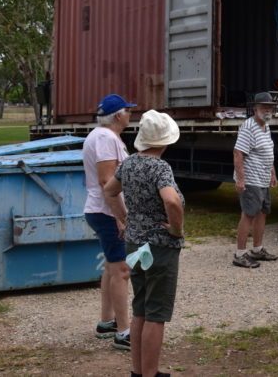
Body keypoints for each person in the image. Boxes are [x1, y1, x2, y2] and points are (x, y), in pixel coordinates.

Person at [104, 109, 184, 377]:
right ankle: (150, 374)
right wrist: (176, 229)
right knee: (156, 313)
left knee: (140, 308)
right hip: (160, 246)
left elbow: (110, 191)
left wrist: (125, 220)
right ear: (164, 141)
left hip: (136, 243)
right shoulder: (160, 167)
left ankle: (138, 371)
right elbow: (171, 200)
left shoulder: (128, 163)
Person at [82, 93, 136, 350]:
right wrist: (121, 217)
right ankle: (124, 332)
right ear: (118, 115)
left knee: (111, 267)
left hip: (102, 210)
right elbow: (107, 181)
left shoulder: (103, 136)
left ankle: (107, 322)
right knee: (122, 271)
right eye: (128, 111)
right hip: (106, 212)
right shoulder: (104, 137)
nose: (130, 114)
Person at [231, 92, 278, 268]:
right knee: (249, 214)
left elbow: (267, 152)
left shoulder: (266, 126)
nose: (268, 109)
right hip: (251, 179)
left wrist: (272, 173)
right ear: (255, 108)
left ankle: (257, 249)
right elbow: (238, 153)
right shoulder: (249, 127)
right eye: (264, 107)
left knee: (262, 213)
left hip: (263, 178)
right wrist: (241, 180)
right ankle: (240, 254)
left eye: (270, 107)